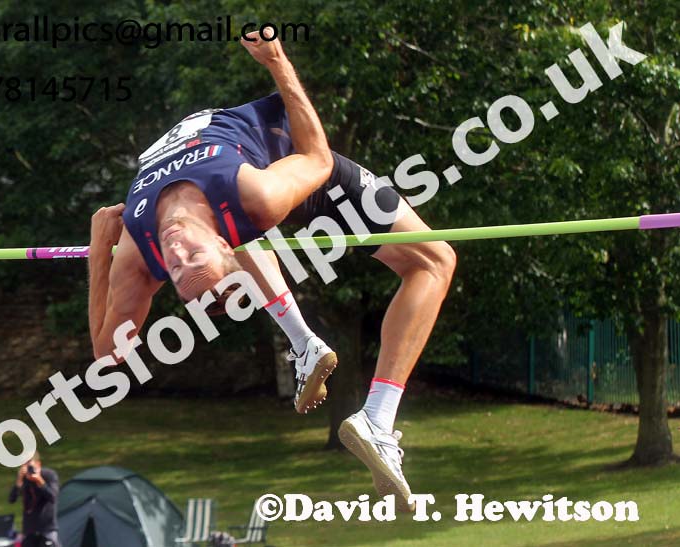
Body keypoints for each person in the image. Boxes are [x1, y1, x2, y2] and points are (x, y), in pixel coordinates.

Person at [88, 29, 456, 512]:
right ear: (225, 242)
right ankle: (376, 418)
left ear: (226, 242)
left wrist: (100, 253)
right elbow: (108, 359)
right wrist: (277, 61)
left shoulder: (145, 247)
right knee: (436, 258)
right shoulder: (233, 211)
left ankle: (308, 349)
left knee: (430, 261)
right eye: (178, 269)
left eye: (185, 263)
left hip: (283, 157)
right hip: (281, 171)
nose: (177, 253)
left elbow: (315, 159)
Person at [9, 451, 60, 547]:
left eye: (29, 463)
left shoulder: (49, 475)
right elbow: (12, 499)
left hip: (47, 529)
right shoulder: (24, 479)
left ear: (38, 464)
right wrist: (19, 481)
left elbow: (53, 497)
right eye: (24, 463)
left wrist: (40, 481)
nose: (27, 467)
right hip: (29, 529)